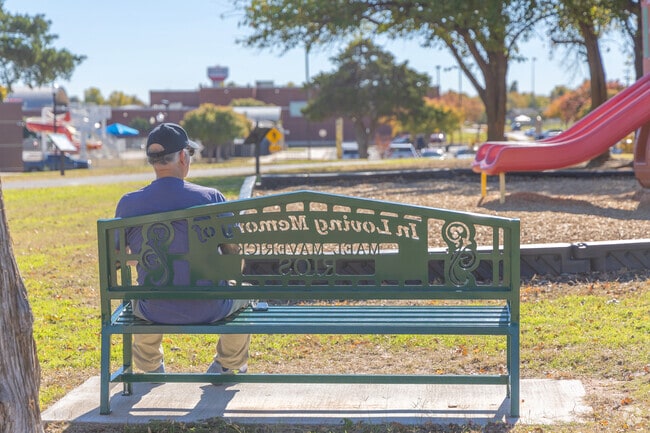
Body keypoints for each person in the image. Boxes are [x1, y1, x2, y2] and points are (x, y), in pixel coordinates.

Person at [114, 122, 249, 375]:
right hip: (211, 307)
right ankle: (227, 365)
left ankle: (150, 367)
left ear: (153, 161)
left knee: (139, 297)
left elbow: (118, 261)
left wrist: (148, 258)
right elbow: (234, 257)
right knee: (245, 295)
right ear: (183, 157)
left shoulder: (128, 204)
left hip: (152, 309)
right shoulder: (211, 199)